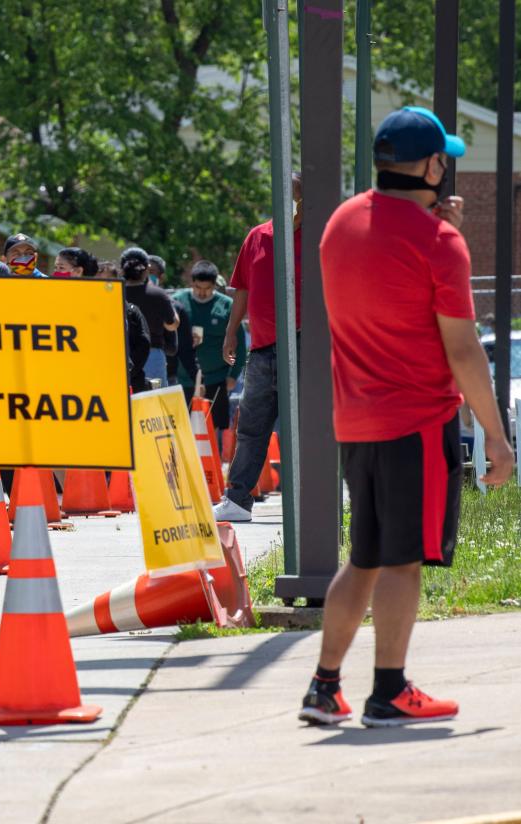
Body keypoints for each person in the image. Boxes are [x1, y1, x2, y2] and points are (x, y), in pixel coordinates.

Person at [301, 107, 514, 728]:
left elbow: (382, 270)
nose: (445, 167)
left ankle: (323, 687)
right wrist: (496, 438)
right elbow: (463, 347)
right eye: (442, 159)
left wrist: (430, 228)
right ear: (429, 166)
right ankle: (388, 692)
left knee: (363, 557)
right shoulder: (440, 243)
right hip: (416, 421)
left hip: (357, 421)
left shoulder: (340, 223)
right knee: (401, 560)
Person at [213, 174, 303, 523]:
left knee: (305, 428)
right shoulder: (258, 237)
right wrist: (231, 332)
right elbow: (242, 290)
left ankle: (310, 501)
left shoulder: (315, 236)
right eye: (291, 193)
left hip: (303, 345)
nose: (293, 199)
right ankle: (237, 500)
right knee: (252, 426)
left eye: (297, 193)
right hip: (263, 348)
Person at [174, 260, 246, 441]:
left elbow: (240, 343)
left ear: (215, 285)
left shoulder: (227, 306)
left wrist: (232, 374)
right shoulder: (178, 301)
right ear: (192, 283)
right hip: (184, 378)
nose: (202, 292)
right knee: (183, 429)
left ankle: (209, 467)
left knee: (210, 429)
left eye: (207, 288)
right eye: (198, 287)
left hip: (216, 377)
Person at [121, 247, 179, 386]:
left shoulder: (114, 293)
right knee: (153, 400)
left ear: (122, 269)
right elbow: (172, 324)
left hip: (120, 354)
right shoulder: (157, 295)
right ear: (146, 269)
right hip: (151, 355)